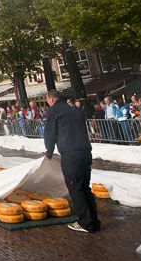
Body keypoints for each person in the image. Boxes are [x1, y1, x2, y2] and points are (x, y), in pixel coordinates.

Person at [43, 89, 100, 233]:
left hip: (71, 153)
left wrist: (48, 152)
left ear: (51, 99)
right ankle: (94, 221)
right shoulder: (74, 110)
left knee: (76, 188)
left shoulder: (54, 111)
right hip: (85, 152)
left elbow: (50, 133)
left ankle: (86, 223)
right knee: (85, 187)